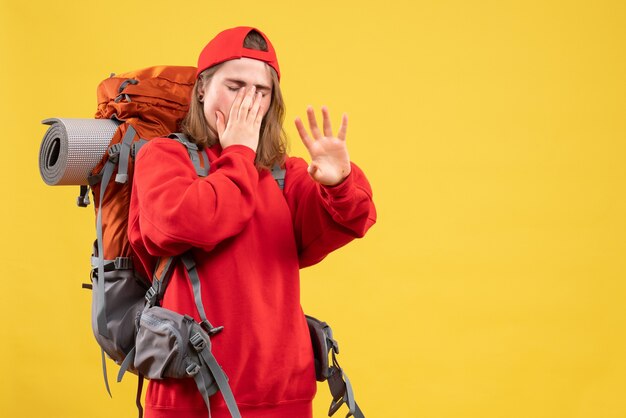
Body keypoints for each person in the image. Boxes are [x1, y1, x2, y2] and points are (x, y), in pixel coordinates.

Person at [128, 26, 377, 418]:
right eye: (235, 85)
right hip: (189, 400)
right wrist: (239, 154)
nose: (248, 100)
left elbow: (352, 219)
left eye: (261, 92)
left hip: (284, 399)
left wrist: (340, 183)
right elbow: (185, 224)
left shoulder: (285, 174)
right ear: (202, 90)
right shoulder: (163, 157)